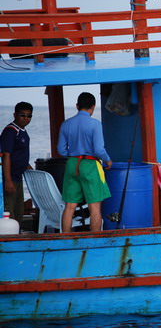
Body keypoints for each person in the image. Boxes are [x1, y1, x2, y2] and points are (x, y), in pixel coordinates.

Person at [57, 92, 112, 232]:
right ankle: (94, 241)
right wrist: (108, 160)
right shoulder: (95, 124)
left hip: (72, 164)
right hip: (90, 164)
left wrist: (75, 155)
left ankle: (66, 240)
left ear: (77, 106)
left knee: (70, 206)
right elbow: (99, 150)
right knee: (94, 207)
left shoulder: (66, 124)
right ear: (93, 107)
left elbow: (61, 150)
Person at [1, 102, 34, 227]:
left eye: (29, 116)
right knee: (9, 212)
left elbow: (21, 156)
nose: (26, 118)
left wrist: (32, 171)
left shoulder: (23, 131)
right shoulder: (10, 131)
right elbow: (6, 156)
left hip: (19, 178)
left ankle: (17, 233)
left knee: (19, 211)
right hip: (10, 178)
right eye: (22, 115)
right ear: (15, 115)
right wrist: (8, 180)